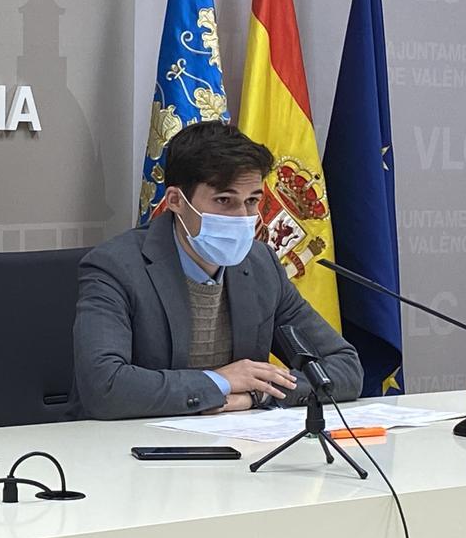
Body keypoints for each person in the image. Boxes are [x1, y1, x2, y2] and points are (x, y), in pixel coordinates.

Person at [71, 121, 361, 419]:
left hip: (237, 445)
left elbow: (345, 367)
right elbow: (104, 386)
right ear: (175, 201)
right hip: (131, 448)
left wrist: (256, 393)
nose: (243, 217)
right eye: (225, 200)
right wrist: (219, 382)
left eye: (252, 201)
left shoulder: (261, 264)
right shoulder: (116, 267)